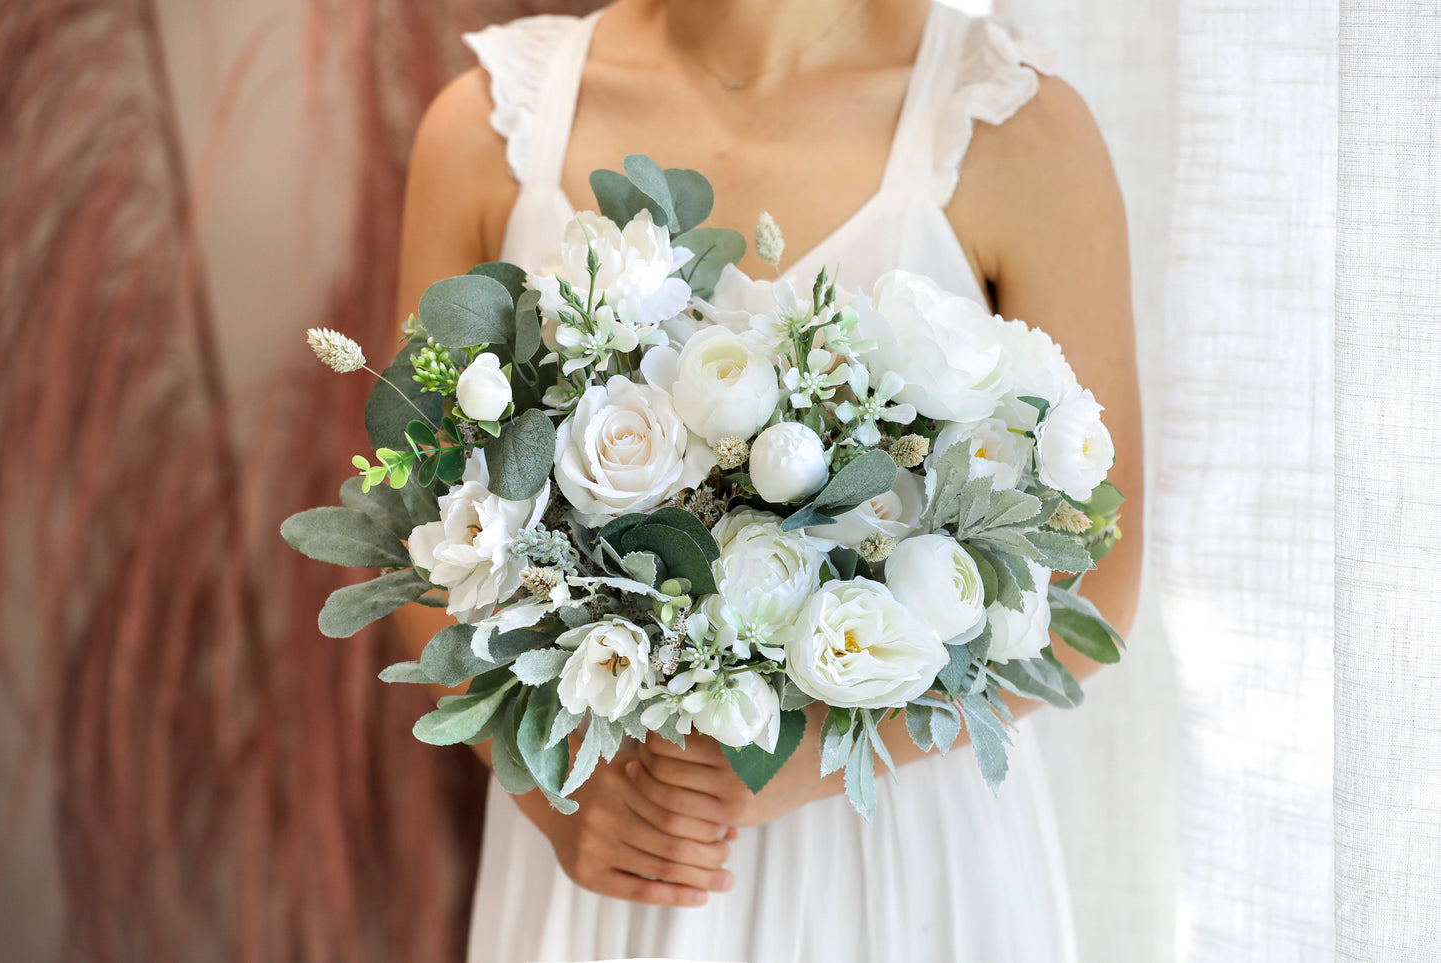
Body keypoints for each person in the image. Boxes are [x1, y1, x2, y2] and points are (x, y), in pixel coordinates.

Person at [394, 0, 1144, 959]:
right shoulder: (491, 128)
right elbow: (419, 535)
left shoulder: (1017, 132)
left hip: (898, 849)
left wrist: (808, 761)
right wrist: (554, 792)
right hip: (620, 836)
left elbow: (1096, 572)